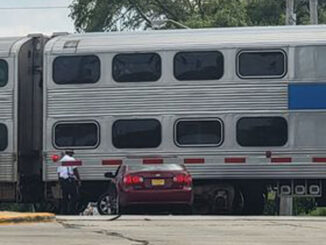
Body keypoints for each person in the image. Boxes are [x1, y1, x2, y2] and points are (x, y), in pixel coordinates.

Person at [57, 149, 81, 214]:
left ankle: (64, 211)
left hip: (62, 180)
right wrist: (79, 179)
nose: (72, 155)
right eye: (72, 153)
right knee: (74, 196)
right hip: (69, 180)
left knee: (65, 196)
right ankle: (72, 211)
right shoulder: (71, 159)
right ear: (70, 153)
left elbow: (59, 173)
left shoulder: (61, 160)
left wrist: (59, 182)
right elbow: (75, 170)